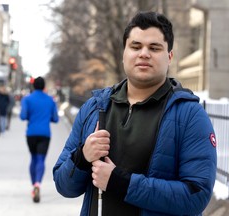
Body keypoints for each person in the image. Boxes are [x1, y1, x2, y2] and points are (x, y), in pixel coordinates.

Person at [53, 11, 217, 216]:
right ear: (124, 53)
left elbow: (196, 195)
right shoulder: (94, 108)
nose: (144, 54)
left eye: (154, 48)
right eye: (136, 46)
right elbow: (63, 185)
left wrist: (120, 183)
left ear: (170, 56)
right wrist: (83, 156)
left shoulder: (189, 114)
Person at [20, 76, 59, 203]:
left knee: (33, 158)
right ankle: (38, 184)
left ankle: (33, 186)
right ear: (43, 87)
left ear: (33, 86)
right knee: (41, 159)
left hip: (31, 133)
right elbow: (55, 119)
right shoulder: (50, 100)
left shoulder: (27, 99)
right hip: (45, 134)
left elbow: (23, 116)